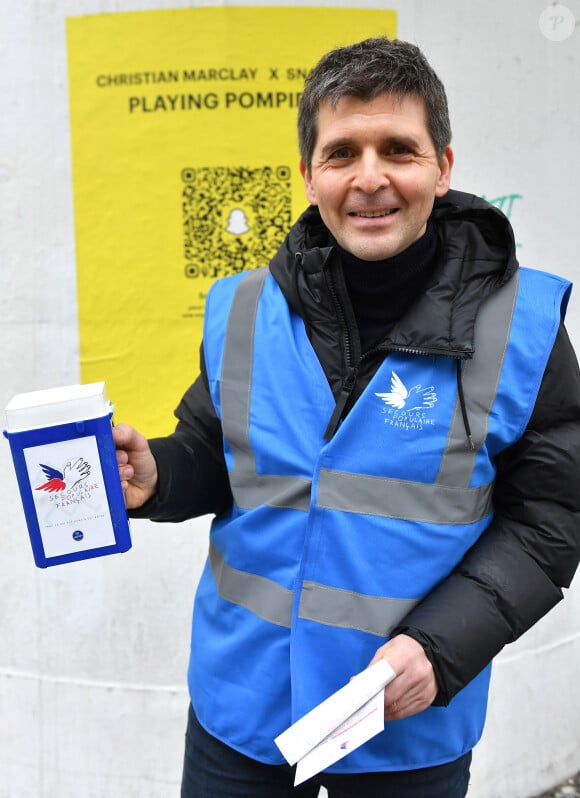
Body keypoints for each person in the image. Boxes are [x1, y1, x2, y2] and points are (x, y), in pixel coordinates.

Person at [113, 37, 580, 798]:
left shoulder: (522, 326)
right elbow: (214, 446)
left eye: (398, 148)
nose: (370, 178)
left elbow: (552, 518)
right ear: (308, 174)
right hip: (241, 715)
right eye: (341, 153)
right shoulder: (241, 308)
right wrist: (159, 472)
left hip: (406, 725)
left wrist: (440, 649)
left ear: (443, 167)